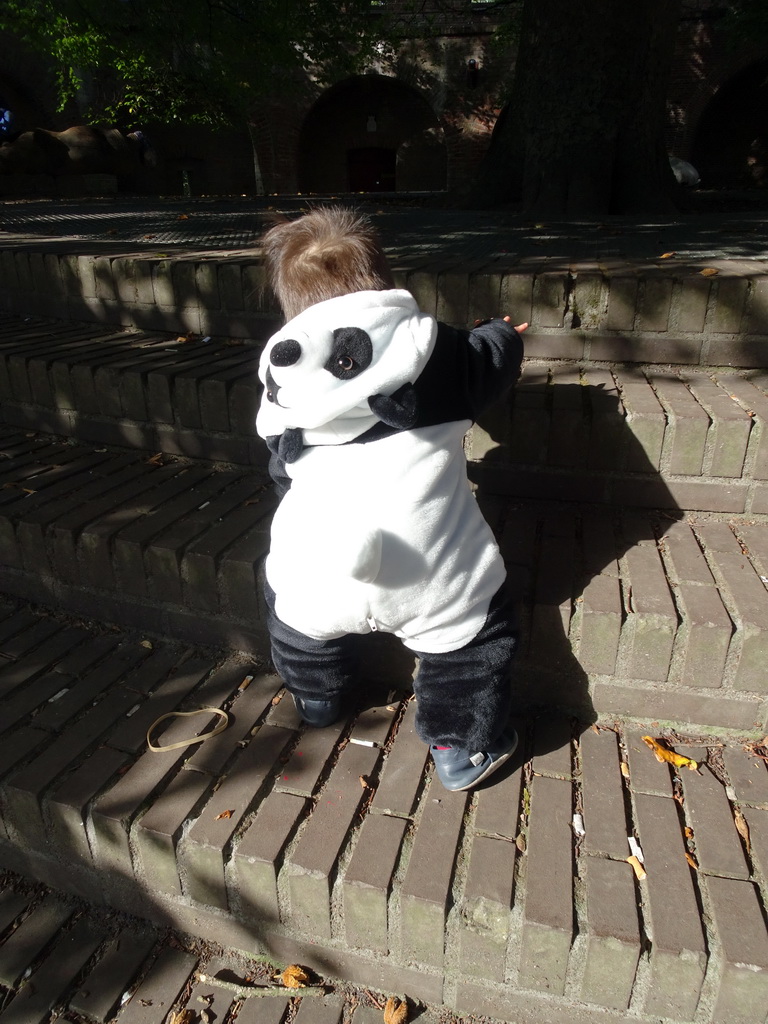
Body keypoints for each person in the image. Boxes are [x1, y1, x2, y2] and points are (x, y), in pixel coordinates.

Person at [256, 206, 527, 791]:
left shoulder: (282, 380)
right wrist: (500, 331)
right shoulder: (438, 353)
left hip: (319, 562)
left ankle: (315, 695)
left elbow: (282, 469)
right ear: (379, 278)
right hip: (429, 571)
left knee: (292, 607)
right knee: (475, 639)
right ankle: (461, 745)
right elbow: (492, 360)